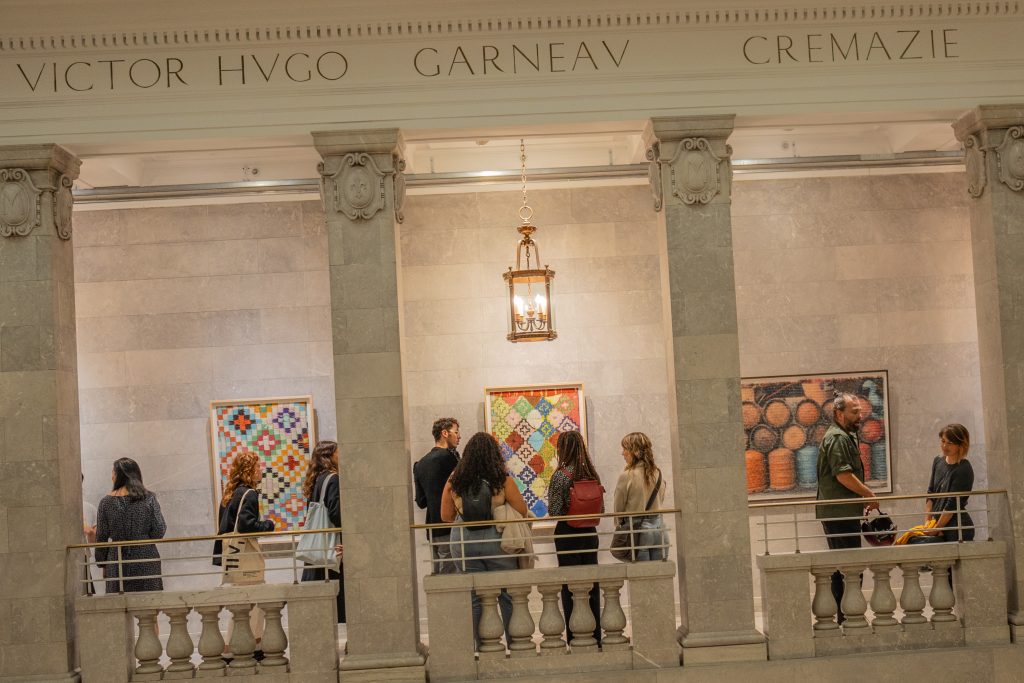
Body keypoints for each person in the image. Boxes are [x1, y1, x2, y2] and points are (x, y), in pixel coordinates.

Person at [441, 432, 527, 649]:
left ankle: (483, 649)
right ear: (494, 454)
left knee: (475, 597)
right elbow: (521, 510)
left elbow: (446, 516)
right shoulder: (501, 478)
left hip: (463, 541)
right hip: (496, 539)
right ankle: (516, 645)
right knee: (507, 595)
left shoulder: (454, 479)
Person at [815, 392, 879, 622]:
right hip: (839, 514)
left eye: (860, 411)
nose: (860, 415)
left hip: (843, 512)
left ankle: (847, 615)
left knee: (846, 567)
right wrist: (868, 494)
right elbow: (843, 475)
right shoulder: (839, 438)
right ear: (838, 414)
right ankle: (848, 617)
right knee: (849, 569)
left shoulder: (844, 435)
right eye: (854, 411)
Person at [218, 450, 277, 659]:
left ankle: (230, 648)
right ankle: (254, 647)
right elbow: (246, 525)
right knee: (255, 604)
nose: (261, 470)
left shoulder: (230, 492)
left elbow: (224, 527)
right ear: (249, 470)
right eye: (258, 466)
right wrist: (268, 525)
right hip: (247, 556)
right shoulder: (249, 493)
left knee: (240, 606)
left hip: (233, 556)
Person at [547, 430, 603, 645]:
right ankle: (595, 633)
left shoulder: (561, 475)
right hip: (590, 534)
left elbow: (554, 511)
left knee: (570, 584)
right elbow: (601, 507)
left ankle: (574, 635)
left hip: (567, 534)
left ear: (562, 449)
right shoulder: (592, 474)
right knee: (592, 583)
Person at [94, 458, 167, 593]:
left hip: (118, 560)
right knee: (148, 606)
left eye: (112, 472)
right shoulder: (149, 498)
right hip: (145, 557)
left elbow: (101, 537)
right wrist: (143, 538)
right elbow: (159, 529)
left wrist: (102, 563)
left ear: (117, 475)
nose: (111, 476)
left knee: (120, 607)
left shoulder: (106, 503)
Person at [300, 440, 346, 624]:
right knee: (338, 596)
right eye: (338, 452)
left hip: (318, 548)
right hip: (332, 547)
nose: (341, 456)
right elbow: (336, 513)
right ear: (329, 456)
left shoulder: (317, 479)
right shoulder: (333, 478)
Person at [910, 424, 975, 544]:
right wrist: (927, 522)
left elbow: (952, 505)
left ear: (960, 445)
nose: (944, 446)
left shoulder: (963, 469)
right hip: (939, 524)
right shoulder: (938, 461)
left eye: (949, 443)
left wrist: (936, 529)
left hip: (957, 527)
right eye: (943, 441)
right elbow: (931, 493)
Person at [414, 417, 461, 574]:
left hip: (432, 526)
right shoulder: (450, 458)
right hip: (451, 525)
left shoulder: (420, 464)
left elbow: (421, 502)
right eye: (456, 432)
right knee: (451, 578)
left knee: (438, 578)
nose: (459, 436)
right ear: (445, 433)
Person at [613, 432, 666, 562]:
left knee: (641, 577)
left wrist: (619, 527)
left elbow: (618, 509)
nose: (622, 453)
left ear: (634, 451)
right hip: (660, 530)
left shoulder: (627, 476)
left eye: (625, 449)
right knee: (659, 575)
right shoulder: (658, 473)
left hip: (637, 533)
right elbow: (661, 499)